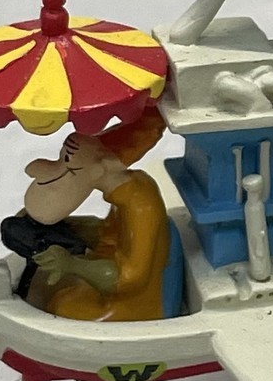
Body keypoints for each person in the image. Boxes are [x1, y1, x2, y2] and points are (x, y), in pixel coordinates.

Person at [17, 109, 172, 323]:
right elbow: (109, 236)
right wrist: (67, 226)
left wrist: (73, 265)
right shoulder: (126, 193)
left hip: (135, 302)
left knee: (62, 307)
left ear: (98, 171)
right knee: (56, 294)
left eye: (68, 161)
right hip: (113, 285)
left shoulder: (140, 205)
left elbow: (130, 279)